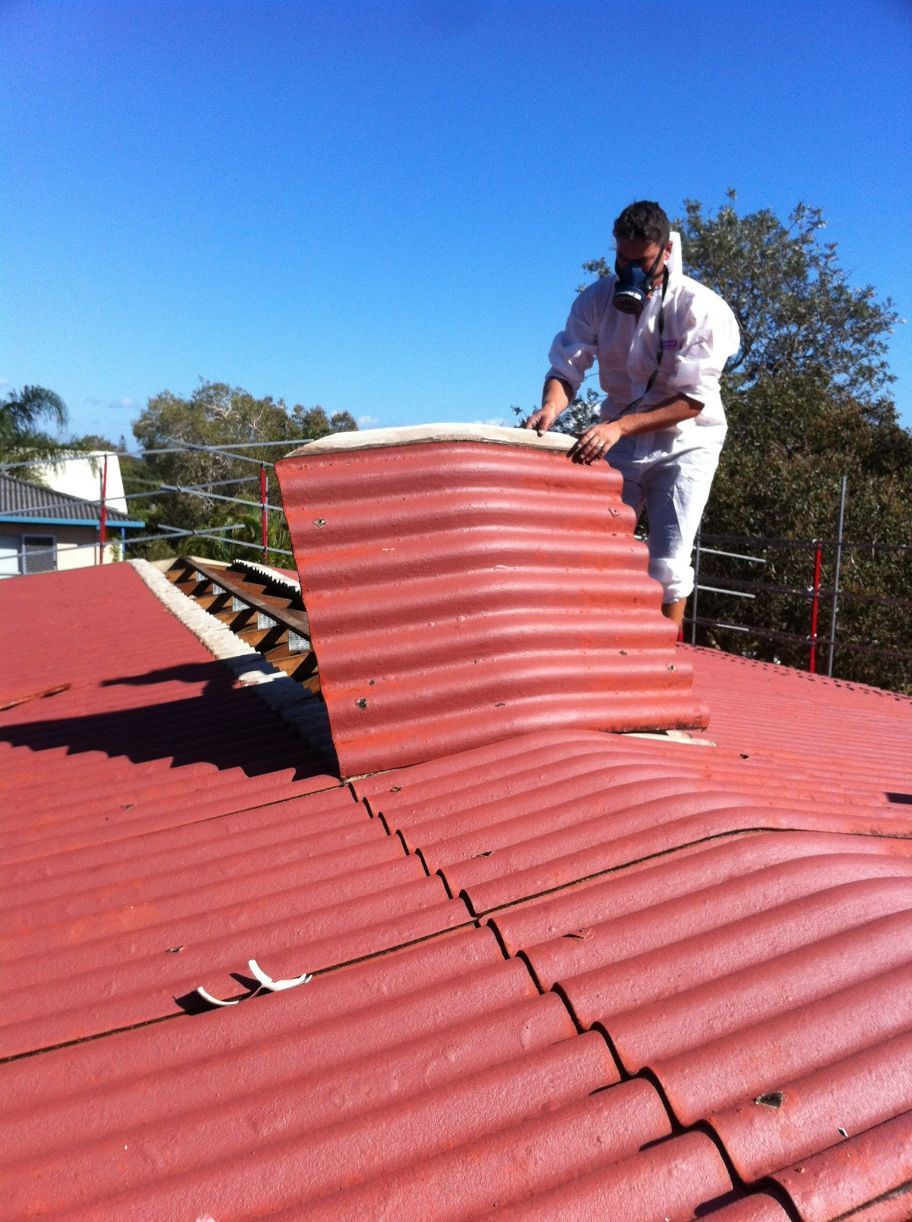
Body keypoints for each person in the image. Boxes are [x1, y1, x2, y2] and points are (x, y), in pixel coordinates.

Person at [525, 200, 740, 630]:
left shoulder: (699, 307)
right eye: (621, 259)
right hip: (620, 436)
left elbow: (692, 401)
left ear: (665, 251)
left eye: (640, 261)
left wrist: (618, 427)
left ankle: (664, 666)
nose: (629, 270)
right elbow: (567, 368)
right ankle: (604, 649)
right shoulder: (596, 299)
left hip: (687, 443)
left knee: (668, 561)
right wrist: (550, 406)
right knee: (596, 549)